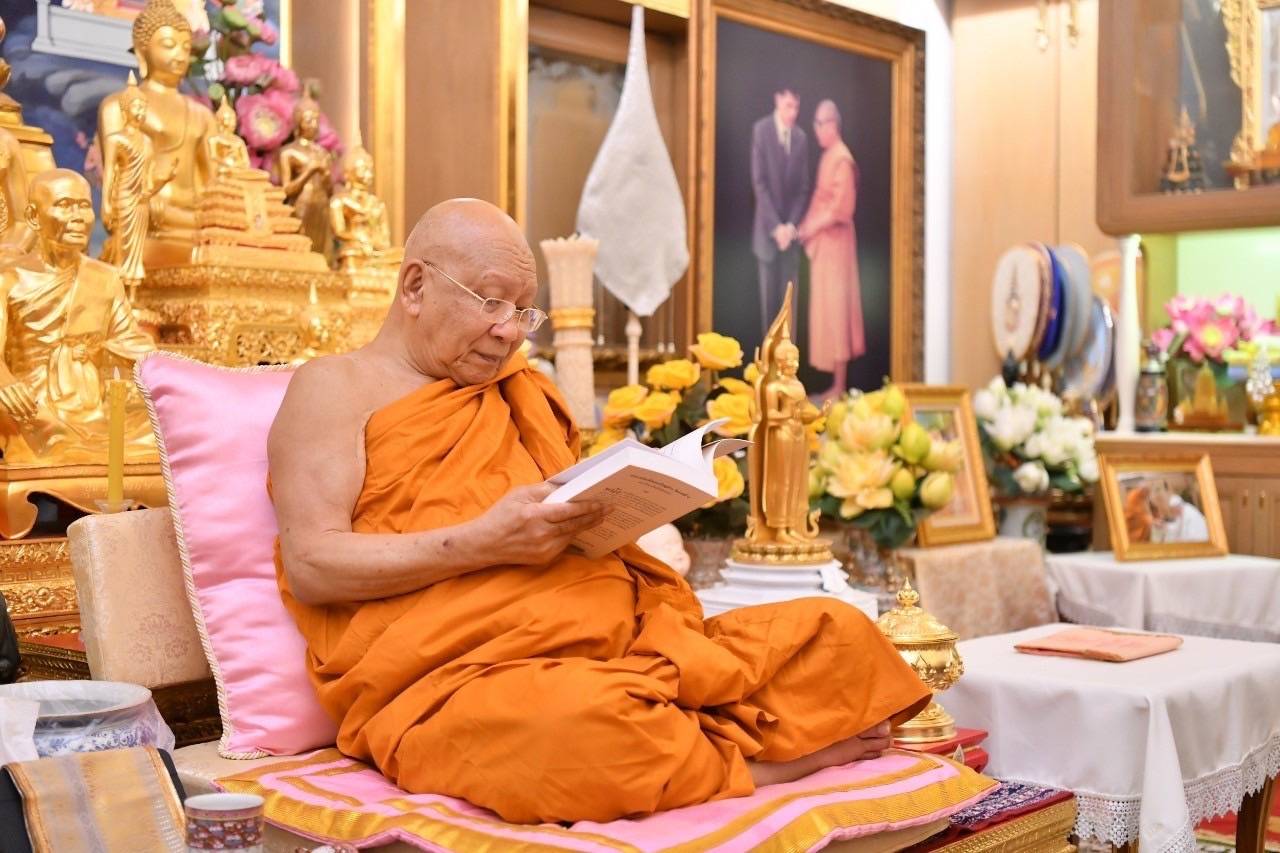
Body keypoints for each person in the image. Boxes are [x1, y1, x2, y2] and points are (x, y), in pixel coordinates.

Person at [269, 198, 931, 825]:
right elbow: (313, 565)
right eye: (492, 302)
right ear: (415, 285)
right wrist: (484, 540)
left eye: (524, 312)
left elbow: (563, 525)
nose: (509, 332)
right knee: (578, 728)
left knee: (840, 633)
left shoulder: (522, 391)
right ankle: (772, 763)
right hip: (459, 677)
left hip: (621, 637)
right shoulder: (334, 387)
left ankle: (682, 734)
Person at [0, 170, 155, 464]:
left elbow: (132, 345)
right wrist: (4, 383)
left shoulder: (104, 277)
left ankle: (84, 450)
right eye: (64, 205)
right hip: (32, 407)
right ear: (33, 216)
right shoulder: (9, 279)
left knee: (164, 430)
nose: (78, 217)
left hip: (93, 409)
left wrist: (178, 374)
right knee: (31, 425)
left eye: (84, 206)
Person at [798, 100, 865, 400]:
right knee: (826, 310)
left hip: (837, 247)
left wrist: (812, 227)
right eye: (814, 124)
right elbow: (819, 199)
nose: (816, 130)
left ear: (832, 125)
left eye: (819, 124)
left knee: (837, 312)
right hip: (824, 247)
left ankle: (839, 386)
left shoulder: (842, 160)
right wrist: (805, 226)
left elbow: (841, 209)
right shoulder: (828, 157)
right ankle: (833, 385)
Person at [751, 87, 810, 338]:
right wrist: (777, 227)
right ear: (777, 100)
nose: (793, 113)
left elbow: (803, 189)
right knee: (769, 313)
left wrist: (790, 227)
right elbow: (760, 184)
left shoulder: (801, 138)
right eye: (788, 106)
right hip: (767, 237)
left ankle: (789, 363)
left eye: (796, 107)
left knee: (789, 316)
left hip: (790, 239)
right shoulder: (761, 131)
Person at [1149, 478, 1209, 543]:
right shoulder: (1174, 507)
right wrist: (1165, 526)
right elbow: (1176, 526)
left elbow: (1180, 528)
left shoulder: (1175, 503)